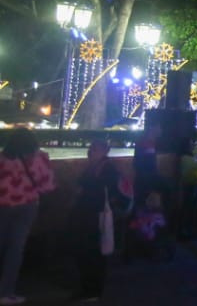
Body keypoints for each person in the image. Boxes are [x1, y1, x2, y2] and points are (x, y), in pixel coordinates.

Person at [0, 127, 55, 305]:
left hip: (2, 206)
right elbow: (48, 185)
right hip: (26, 207)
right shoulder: (40, 158)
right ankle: (6, 293)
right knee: (15, 250)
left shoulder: (2, 159)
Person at [69, 140, 128, 300]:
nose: (90, 151)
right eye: (91, 148)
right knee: (90, 251)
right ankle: (90, 288)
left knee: (92, 252)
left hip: (96, 214)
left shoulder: (106, 168)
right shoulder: (95, 167)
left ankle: (92, 289)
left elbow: (97, 190)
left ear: (104, 151)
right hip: (90, 214)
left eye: (94, 149)